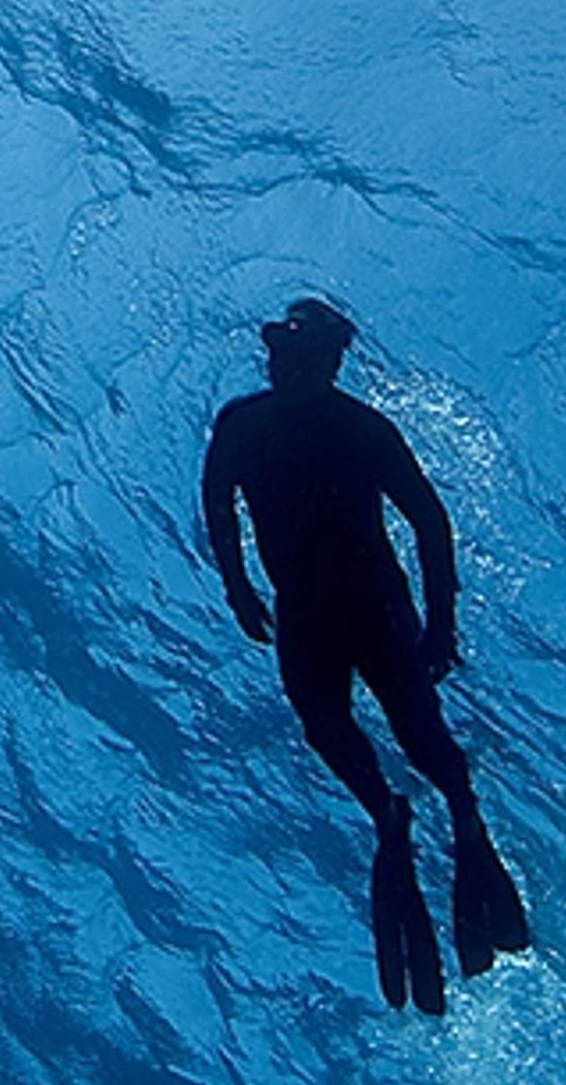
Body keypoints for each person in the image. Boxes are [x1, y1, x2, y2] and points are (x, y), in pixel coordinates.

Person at [203, 297, 529, 1011]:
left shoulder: (363, 430)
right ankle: (390, 817)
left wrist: (441, 624)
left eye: (308, 356)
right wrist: (237, 588)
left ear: (333, 362)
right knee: (326, 728)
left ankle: (461, 814)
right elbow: (217, 504)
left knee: (420, 733)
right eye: (284, 354)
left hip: (377, 607)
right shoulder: (242, 426)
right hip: (307, 613)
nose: (290, 366)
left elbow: (430, 521)